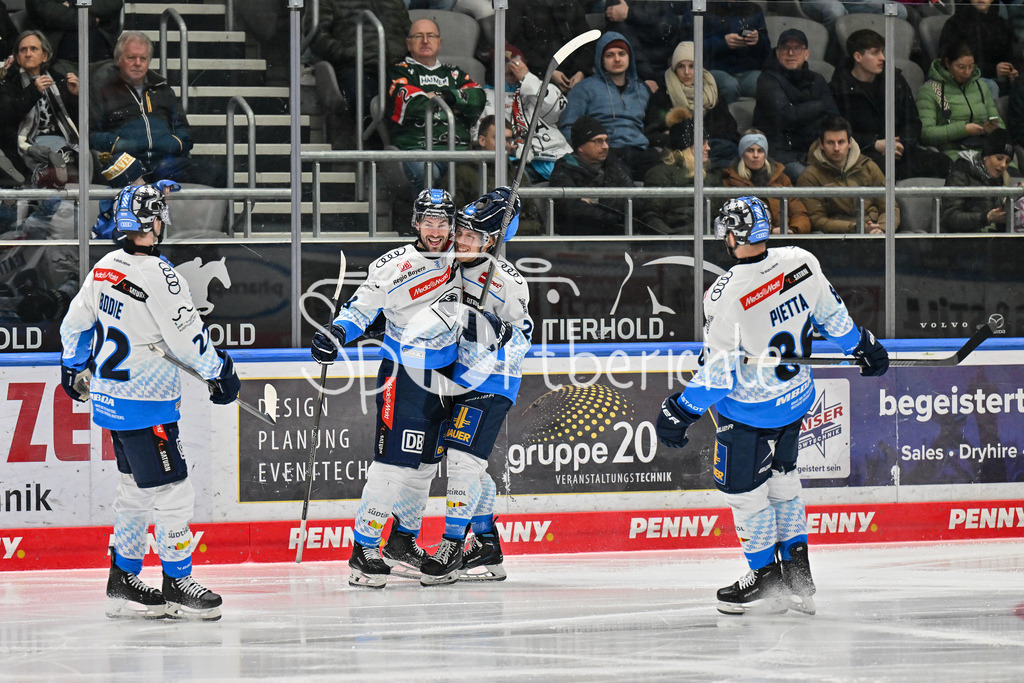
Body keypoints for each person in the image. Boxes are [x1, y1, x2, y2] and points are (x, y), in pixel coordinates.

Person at [655, 195, 889, 615]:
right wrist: (862, 346)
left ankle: (765, 577)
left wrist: (681, 409)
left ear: (731, 236)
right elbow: (833, 318)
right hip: (796, 401)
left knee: (744, 494)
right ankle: (798, 579)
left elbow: (719, 374)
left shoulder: (726, 293)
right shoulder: (801, 261)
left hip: (750, 413)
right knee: (783, 483)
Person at [59, 182, 237, 620]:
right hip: (146, 402)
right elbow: (189, 337)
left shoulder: (104, 267)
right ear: (153, 223)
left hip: (110, 400)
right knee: (174, 491)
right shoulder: (161, 275)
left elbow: (75, 324)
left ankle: (124, 576)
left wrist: (72, 366)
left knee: (134, 490)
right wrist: (220, 373)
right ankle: (177, 582)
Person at [309, 189, 463, 589]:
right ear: (415, 223)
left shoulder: (464, 258)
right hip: (403, 373)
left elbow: (497, 234)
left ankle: (402, 540)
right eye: (428, 222)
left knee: (427, 465)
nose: (435, 230)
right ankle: (364, 548)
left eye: (442, 222)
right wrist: (337, 333)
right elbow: (360, 309)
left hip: (447, 376)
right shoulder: (393, 265)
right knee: (393, 462)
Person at [419, 187, 532, 585]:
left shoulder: (508, 282)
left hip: (493, 379)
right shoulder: (445, 265)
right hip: (454, 376)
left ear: (492, 241)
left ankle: (452, 544)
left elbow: (524, 339)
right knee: (470, 464)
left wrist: (496, 331)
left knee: (463, 461)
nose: (462, 241)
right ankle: (485, 543)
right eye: (461, 232)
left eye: (472, 236)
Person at [90, 31, 226, 188]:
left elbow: (185, 133)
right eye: (131, 58)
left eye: (143, 58)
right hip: (126, 163)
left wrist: (173, 144)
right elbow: (92, 135)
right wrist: (124, 144)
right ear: (118, 60)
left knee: (218, 173)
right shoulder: (103, 90)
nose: (138, 63)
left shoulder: (164, 91)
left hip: (164, 163)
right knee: (129, 175)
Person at [830, 29, 951, 181]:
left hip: (899, 151)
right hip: (861, 153)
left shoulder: (895, 80)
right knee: (881, 170)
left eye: (882, 52)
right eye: (875, 53)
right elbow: (836, 133)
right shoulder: (839, 88)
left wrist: (902, 144)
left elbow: (912, 121)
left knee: (945, 163)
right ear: (858, 57)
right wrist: (874, 144)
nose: (882, 58)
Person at [386, 19, 486, 189]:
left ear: (439, 43)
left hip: (459, 149)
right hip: (417, 148)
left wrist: (443, 96)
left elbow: (478, 98)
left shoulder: (454, 73)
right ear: (408, 43)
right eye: (418, 36)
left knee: (479, 176)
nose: (425, 41)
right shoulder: (399, 71)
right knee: (427, 173)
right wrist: (456, 104)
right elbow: (414, 105)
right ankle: (426, 209)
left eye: (431, 36)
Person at [310, 0, 410, 147]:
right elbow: (316, 33)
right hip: (354, 66)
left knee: (416, 98)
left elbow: (409, 30)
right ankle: (379, 150)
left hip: (397, 67)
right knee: (362, 98)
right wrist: (343, 52)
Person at [559, 31, 656, 179]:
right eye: (610, 55)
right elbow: (568, 125)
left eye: (622, 54)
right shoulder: (584, 88)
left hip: (639, 150)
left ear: (629, 57)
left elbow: (652, 126)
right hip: (606, 151)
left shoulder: (641, 89)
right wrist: (586, 151)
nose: (617, 59)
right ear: (601, 59)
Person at [753, 29, 840, 181]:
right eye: (785, 48)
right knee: (810, 178)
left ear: (806, 54)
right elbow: (787, 116)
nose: (791, 53)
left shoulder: (817, 79)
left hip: (814, 150)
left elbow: (834, 118)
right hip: (781, 153)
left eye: (797, 48)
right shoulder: (767, 80)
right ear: (777, 53)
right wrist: (819, 105)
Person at [479, 42, 572, 181]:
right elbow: (482, 134)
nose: (513, 72)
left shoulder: (539, 86)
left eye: (517, 67)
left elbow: (558, 110)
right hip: (515, 163)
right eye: (507, 70)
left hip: (556, 157)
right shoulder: (486, 96)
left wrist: (527, 79)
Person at [0, 30, 79, 188]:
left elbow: (78, 121)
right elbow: (6, 117)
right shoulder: (9, 83)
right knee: (46, 159)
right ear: (17, 57)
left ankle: (51, 170)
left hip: (59, 139)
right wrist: (33, 91)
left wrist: (74, 96)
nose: (28, 54)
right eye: (23, 50)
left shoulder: (58, 80)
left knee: (76, 159)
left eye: (34, 49)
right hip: (23, 142)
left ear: (45, 55)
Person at [797, 115, 899, 234]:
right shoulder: (810, 176)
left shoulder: (868, 166)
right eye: (830, 142)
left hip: (876, 233)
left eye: (841, 142)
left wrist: (881, 229)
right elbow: (817, 220)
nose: (836, 148)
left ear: (850, 142)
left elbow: (890, 207)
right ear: (821, 144)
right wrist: (858, 228)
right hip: (836, 238)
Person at [647, 40, 739, 169]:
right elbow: (651, 133)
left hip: (709, 148)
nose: (687, 72)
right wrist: (677, 137)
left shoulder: (712, 93)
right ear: (674, 69)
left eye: (692, 66)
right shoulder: (663, 95)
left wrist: (702, 140)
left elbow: (729, 130)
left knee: (730, 150)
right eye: (681, 66)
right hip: (679, 150)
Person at [455, 115, 543, 235]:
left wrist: (500, 230)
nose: (505, 144)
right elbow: (455, 220)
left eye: (508, 139)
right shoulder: (462, 174)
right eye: (498, 138)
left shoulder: (517, 175)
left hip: (514, 242)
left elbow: (535, 222)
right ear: (482, 140)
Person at [917, 41, 1004, 161]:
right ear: (947, 63)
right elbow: (926, 134)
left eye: (971, 66)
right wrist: (963, 130)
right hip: (954, 152)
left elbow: (999, 123)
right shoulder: (931, 90)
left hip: (987, 150)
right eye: (961, 67)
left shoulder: (981, 87)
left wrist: (994, 129)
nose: (967, 72)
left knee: (1010, 170)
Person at [548, 115, 634, 235]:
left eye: (606, 140)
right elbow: (573, 210)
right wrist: (615, 214)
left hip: (616, 234)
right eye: (598, 141)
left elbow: (635, 199)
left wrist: (595, 202)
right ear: (581, 147)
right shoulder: (564, 169)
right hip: (580, 240)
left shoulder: (613, 165)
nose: (606, 146)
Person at [640, 112, 722, 234]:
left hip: (710, 238)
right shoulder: (660, 174)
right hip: (675, 240)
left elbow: (722, 214)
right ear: (686, 146)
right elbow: (650, 215)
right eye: (703, 143)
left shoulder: (712, 173)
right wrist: (671, 238)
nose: (708, 148)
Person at [721, 130, 811, 234]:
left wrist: (793, 229)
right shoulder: (730, 181)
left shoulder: (781, 178)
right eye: (750, 150)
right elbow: (736, 219)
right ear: (742, 154)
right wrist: (770, 231)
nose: (756, 155)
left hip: (786, 236)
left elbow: (799, 212)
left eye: (760, 151)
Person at [939, 0, 1023, 100]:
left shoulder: (1002, 24)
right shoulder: (955, 25)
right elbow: (953, 65)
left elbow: (1015, 56)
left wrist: (1013, 72)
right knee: (989, 86)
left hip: (1002, 81)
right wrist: (993, 70)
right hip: (970, 80)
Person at [942, 128, 1017, 232]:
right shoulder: (961, 175)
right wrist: (985, 218)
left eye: (1007, 161)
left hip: (989, 238)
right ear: (986, 156)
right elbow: (950, 218)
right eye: (999, 158)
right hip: (960, 239)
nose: (1003, 165)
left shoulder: (1002, 181)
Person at [507, 0, 592, 92]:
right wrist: (549, 71)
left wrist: (581, 71)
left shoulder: (570, 3)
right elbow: (518, 45)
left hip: (574, 73)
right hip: (536, 75)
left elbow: (586, 39)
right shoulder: (518, 4)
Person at [604, 0, 693, 87]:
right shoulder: (618, 5)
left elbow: (668, 28)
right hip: (635, 73)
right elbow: (629, 44)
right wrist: (649, 77)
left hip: (663, 67)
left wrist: (631, 14)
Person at [704, 0, 770, 104]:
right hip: (714, 69)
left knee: (768, 83)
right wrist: (722, 43)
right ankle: (725, 114)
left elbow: (767, 50)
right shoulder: (702, 7)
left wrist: (758, 40)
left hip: (747, 72)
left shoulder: (755, 9)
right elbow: (688, 45)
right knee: (729, 85)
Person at [25, 0, 122, 63]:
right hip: (60, 60)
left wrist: (73, 3)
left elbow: (113, 4)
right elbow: (45, 10)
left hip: (103, 59)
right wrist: (90, 20)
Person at [800, 0, 905, 34]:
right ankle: (832, 59)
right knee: (835, 13)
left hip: (855, 2)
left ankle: (872, 54)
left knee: (898, 10)